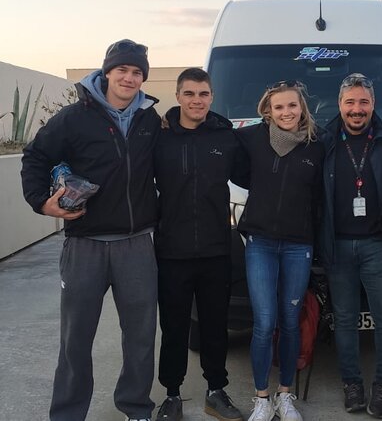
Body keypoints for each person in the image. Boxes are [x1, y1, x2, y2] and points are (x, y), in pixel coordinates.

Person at [21, 39, 160, 421]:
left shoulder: (150, 119)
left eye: (137, 72)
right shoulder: (73, 117)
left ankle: (135, 408)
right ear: (107, 72)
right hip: (85, 245)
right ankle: (67, 414)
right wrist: (40, 201)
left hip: (136, 245)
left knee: (141, 339)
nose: (129, 78)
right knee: (75, 341)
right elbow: (35, 156)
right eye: (123, 70)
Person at [152, 68, 247, 421]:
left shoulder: (224, 137)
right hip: (172, 250)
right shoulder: (159, 137)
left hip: (216, 250)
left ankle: (216, 391)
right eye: (189, 94)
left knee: (214, 326)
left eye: (203, 94)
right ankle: (172, 395)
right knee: (174, 327)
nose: (196, 100)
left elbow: (253, 173)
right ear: (178, 96)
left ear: (211, 97)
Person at [235, 80, 324, 421]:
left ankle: (285, 396)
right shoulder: (253, 139)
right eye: (279, 107)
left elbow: (320, 197)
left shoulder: (317, 145)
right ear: (267, 111)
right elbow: (219, 139)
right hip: (261, 243)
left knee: (289, 322)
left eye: (292, 105)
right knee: (264, 322)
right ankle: (262, 398)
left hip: (298, 244)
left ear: (302, 108)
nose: (286, 112)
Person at [319, 73, 382, 419]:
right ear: (339, 105)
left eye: (363, 102)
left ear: (373, 105)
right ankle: (351, 383)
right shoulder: (322, 141)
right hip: (337, 245)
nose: (356, 109)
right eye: (350, 102)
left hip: (377, 245)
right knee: (345, 320)